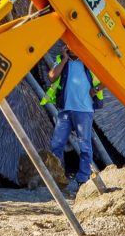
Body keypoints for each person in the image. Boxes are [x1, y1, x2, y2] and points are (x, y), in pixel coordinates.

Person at [41, 44, 105, 188]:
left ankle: (83, 178)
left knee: (85, 146)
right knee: (57, 144)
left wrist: (95, 90)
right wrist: (64, 59)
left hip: (84, 110)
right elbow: (52, 77)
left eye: (73, 44)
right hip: (65, 111)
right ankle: (58, 177)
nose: (71, 47)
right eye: (68, 45)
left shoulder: (90, 62)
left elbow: (107, 78)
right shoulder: (62, 61)